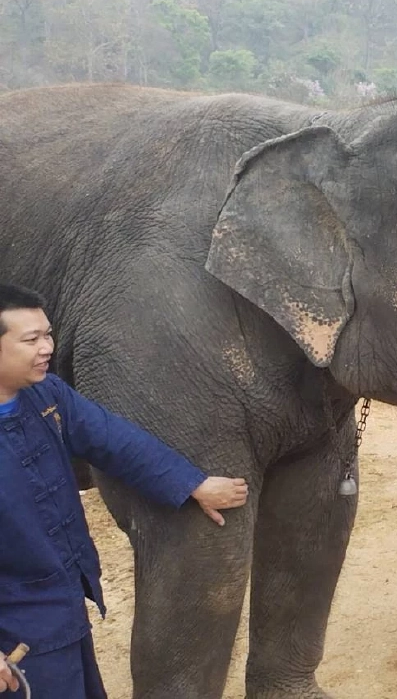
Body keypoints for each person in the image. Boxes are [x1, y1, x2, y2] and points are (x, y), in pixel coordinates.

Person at [0, 284, 249, 698]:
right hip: (14, 628)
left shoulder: (46, 395)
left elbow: (112, 439)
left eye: (48, 334)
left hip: (62, 601)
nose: (47, 347)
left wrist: (192, 485)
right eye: (31, 339)